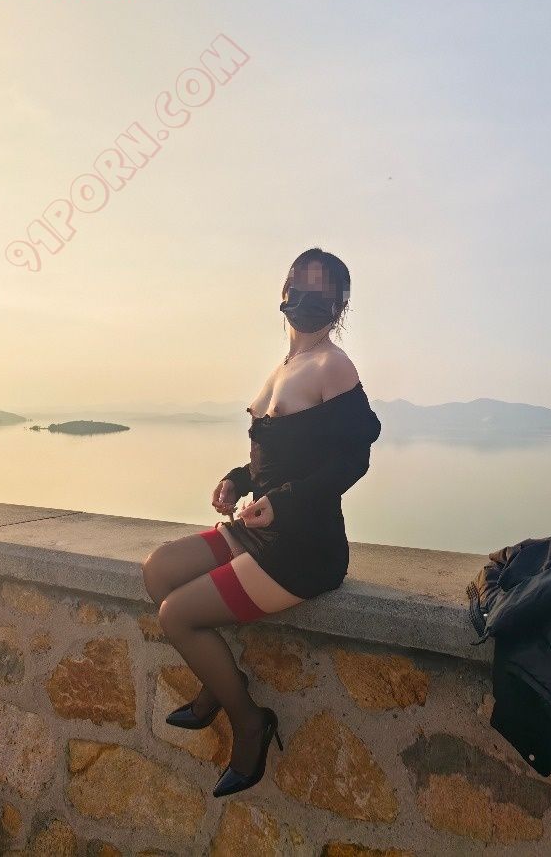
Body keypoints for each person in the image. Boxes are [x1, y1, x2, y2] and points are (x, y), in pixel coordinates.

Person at [142, 248, 382, 797]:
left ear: (340, 304)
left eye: (322, 292)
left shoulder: (333, 366)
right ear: (284, 292)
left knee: (177, 616)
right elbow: (274, 460)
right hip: (259, 527)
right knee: (158, 571)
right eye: (301, 286)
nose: (308, 299)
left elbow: (354, 458)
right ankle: (219, 682)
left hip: (302, 546)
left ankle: (249, 721)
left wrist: (287, 502)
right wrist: (236, 480)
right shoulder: (284, 367)